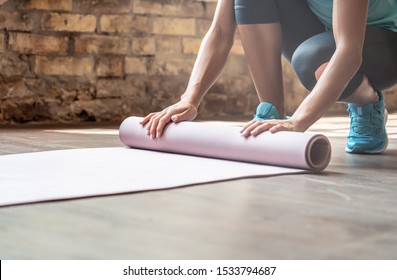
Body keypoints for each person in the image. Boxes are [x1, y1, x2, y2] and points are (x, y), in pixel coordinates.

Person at [140, 0, 397, 154]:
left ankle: (367, 102)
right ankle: (273, 114)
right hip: (329, 33)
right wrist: (189, 99)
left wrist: (299, 122)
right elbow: (220, 31)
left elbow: (349, 51)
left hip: (386, 41)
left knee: (312, 61)